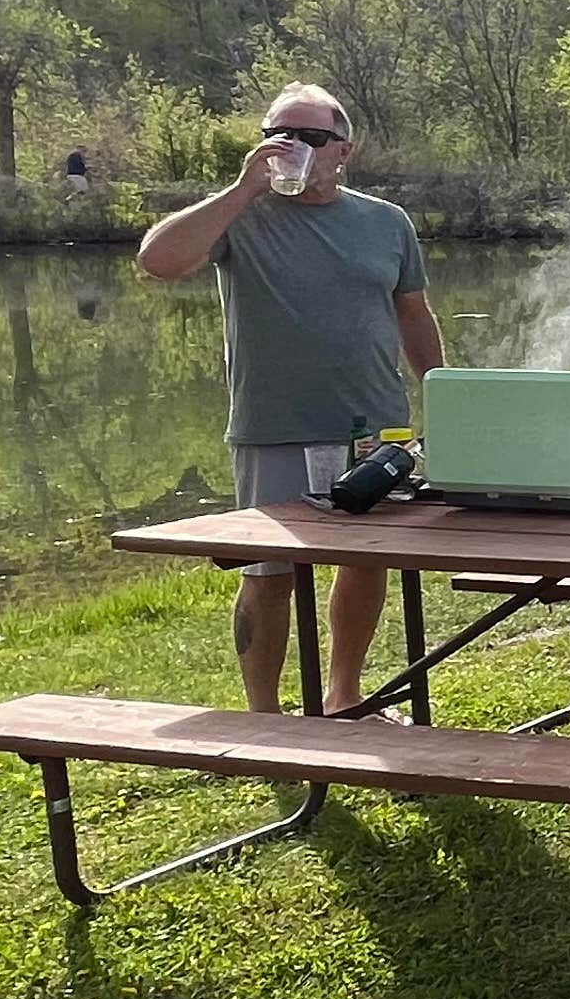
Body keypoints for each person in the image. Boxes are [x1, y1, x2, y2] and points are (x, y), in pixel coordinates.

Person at [135, 85, 442, 712]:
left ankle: (343, 696)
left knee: (364, 563)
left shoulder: (386, 222)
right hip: (272, 425)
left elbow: (413, 313)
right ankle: (264, 719)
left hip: (373, 426)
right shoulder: (239, 217)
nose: (290, 147)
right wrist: (243, 188)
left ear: (343, 151)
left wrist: (449, 398)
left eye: (309, 137)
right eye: (277, 134)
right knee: (268, 574)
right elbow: (159, 261)